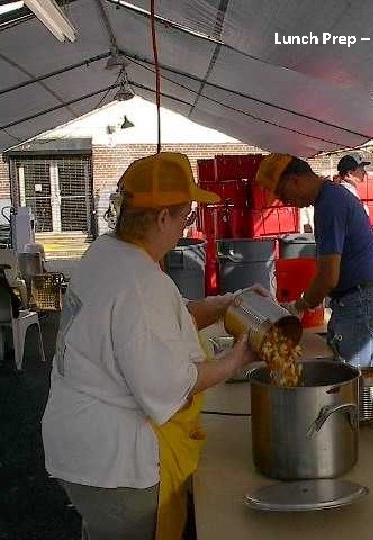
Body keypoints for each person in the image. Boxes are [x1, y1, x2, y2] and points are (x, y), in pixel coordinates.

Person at [42, 152, 258, 540]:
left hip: (77, 442)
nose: (185, 227)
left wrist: (228, 303)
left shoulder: (107, 253)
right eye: (185, 217)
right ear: (162, 218)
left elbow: (174, 317)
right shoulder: (140, 282)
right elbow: (169, 384)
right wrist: (236, 358)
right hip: (115, 463)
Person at [255, 153, 373, 368]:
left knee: (351, 382)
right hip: (355, 300)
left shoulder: (330, 204)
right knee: (346, 374)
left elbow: (328, 277)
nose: (284, 201)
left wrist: (300, 306)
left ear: (295, 180)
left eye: (282, 193)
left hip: (359, 301)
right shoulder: (330, 198)